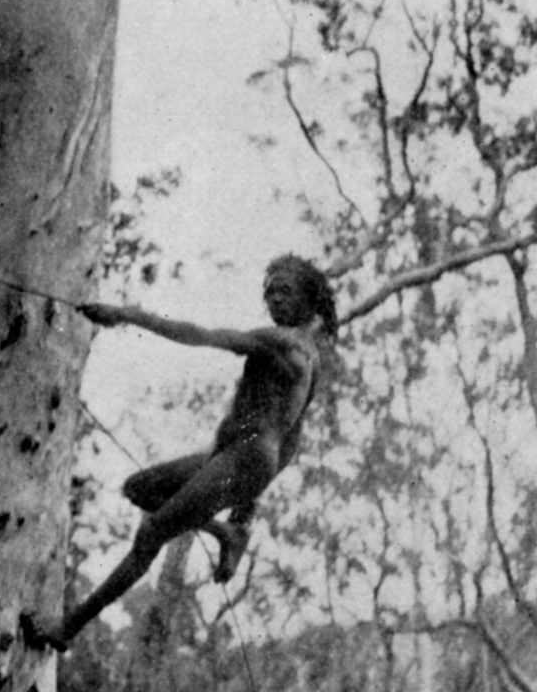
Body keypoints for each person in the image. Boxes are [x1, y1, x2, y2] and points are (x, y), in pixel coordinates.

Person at [23, 254, 337, 650]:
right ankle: (226, 533)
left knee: (151, 533)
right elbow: (289, 444)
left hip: (243, 458)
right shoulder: (312, 362)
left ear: (309, 298)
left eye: (285, 292)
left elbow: (199, 335)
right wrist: (243, 511)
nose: (275, 300)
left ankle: (65, 628)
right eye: (270, 293)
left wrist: (127, 315)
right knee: (140, 489)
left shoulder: (280, 342)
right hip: (237, 457)